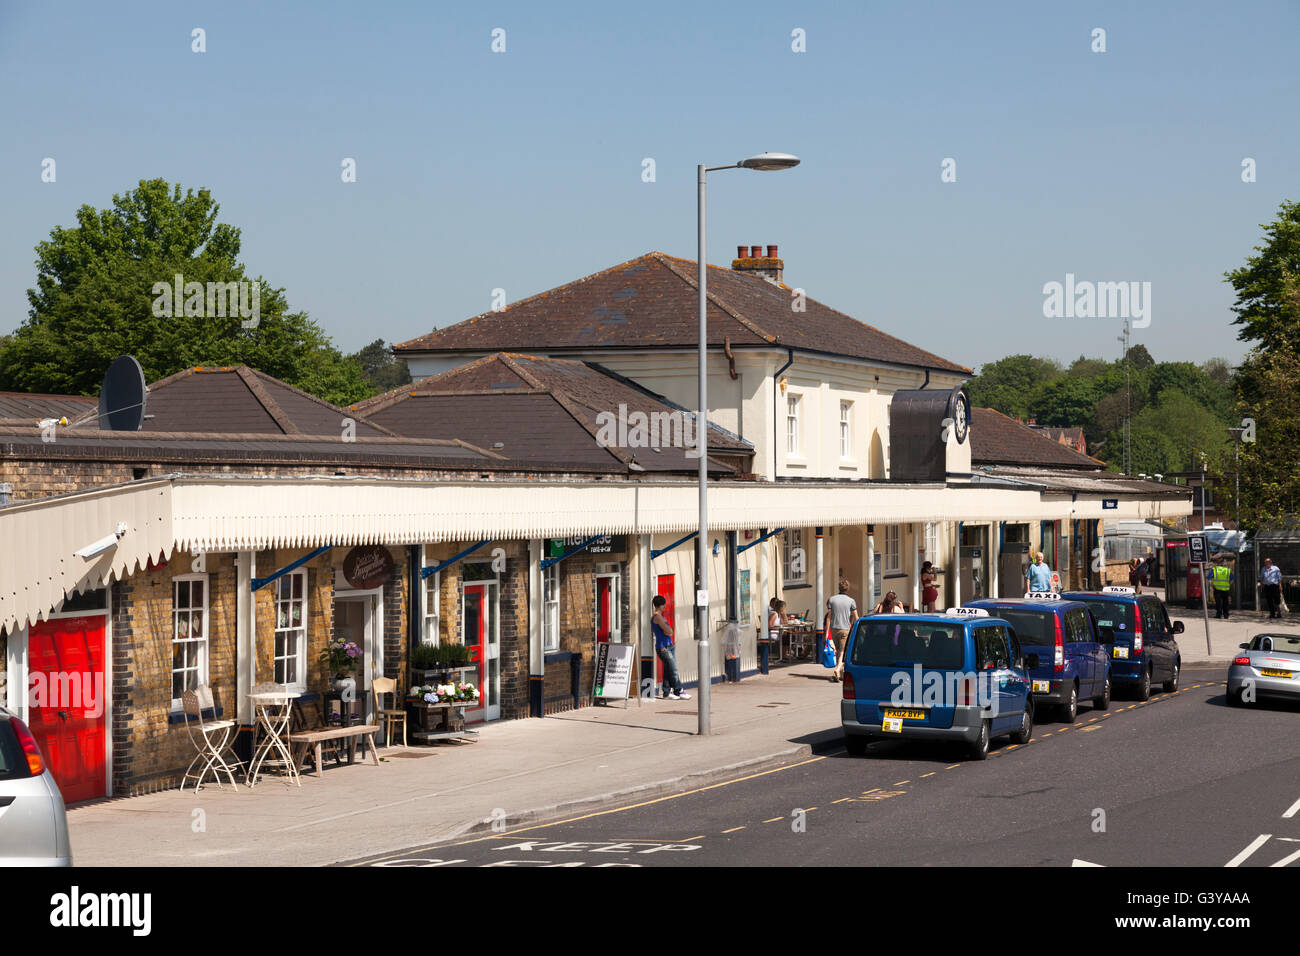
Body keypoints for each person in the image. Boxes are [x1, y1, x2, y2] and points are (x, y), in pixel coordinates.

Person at [652, 594, 690, 700]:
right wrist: (668, 631)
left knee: (668, 669)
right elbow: (669, 631)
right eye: (663, 604)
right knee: (673, 670)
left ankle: (666, 692)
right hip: (663, 647)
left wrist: (668, 632)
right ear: (659, 606)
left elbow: (668, 632)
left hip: (669, 645)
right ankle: (679, 690)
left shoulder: (660, 617)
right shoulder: (658, 617)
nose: (665, 606)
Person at [826, 582, 858, 683]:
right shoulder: (851, 601)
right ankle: (838, 668)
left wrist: (826, 632)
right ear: (847, 589)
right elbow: (856, 617)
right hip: (845, 629)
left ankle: (839, 674)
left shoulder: (832, 599)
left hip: (834, 628)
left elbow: (829, 617)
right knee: (843, 652)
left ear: (839, 588)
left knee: (839, 651)